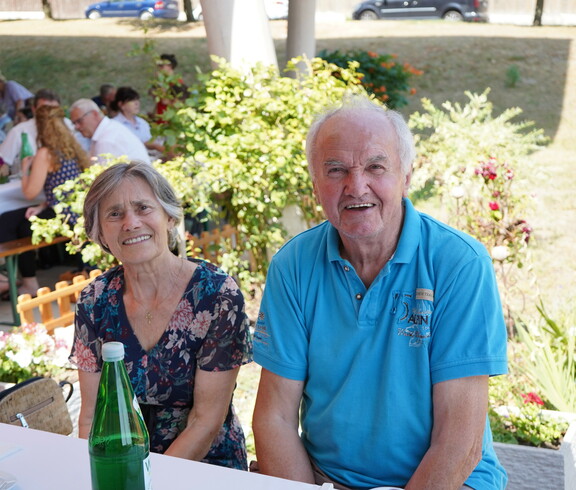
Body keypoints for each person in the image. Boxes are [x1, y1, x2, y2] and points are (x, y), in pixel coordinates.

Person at [252, 94, 509, 489]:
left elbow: (459, 440)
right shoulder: (293, 267)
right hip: (328, 480)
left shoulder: (459, 264)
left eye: (376, 166)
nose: (356, 187)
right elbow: (276, 418)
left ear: (406, 176)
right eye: (335, 170)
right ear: (315, 183)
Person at [69, 162, 252, 469]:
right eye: (114, 214)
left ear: (168, 216)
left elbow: (204, 422)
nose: (130, 222)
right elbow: (91, 418)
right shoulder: (94, 302)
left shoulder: (216, 295)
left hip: (205, 467)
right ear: (98, 232)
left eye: (143, 208)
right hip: (122, 468)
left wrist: (147, 480)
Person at [0, 105, 91, 296]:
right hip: (75, 211)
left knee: (10, 223)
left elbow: (30, 193)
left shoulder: (46, 153)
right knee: (18, 221)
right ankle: (22, 280)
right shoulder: (72, 147)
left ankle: (26, 281)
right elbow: (66, 186)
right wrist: (42, 206)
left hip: (64, 216)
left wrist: (26, 168)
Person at [0, 89, 89, 175]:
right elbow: (2, 162)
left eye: (54, 110)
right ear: (34, 109)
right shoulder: (18, 131)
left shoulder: (67, 125)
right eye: (44, 110)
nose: (49, 115)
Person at [70, 98, 151, 164]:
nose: (77, 127)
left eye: (79, 121)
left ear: (95, 114)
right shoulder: (108, 129)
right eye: (74, 123)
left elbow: (105, 180)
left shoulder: (106, 140)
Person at [111, 86, 164, 157]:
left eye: (137, 100)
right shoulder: (115, 125)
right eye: (131, 100)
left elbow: (151, 141)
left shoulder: (142, 122)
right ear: (121, 104)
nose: (137, 103)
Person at [150, 53, 188, 125]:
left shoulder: (177, 82)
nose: (159, 68)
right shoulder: (161, 82)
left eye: (161, 66)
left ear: (170, 66)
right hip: (160, 121)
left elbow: (166, 101)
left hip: (170, 122)